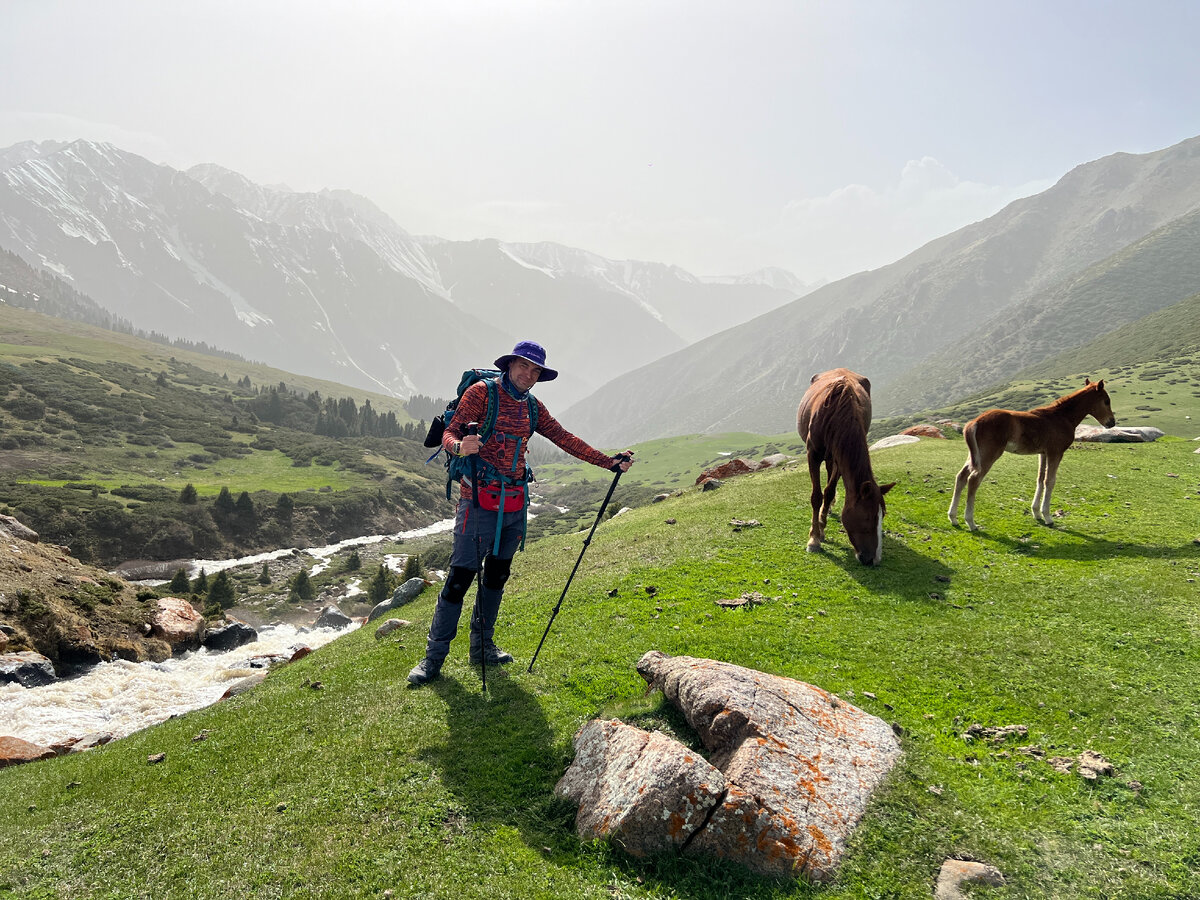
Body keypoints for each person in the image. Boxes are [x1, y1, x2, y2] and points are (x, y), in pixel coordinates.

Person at [407, 340, 634, 685]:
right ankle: (432, 659)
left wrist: (609, 462)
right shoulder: (482, 394)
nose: (528, 374)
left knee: (497, 576)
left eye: (535, 370)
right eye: (523, 366)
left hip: (513, 502)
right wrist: (458, 445)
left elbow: (564, 438)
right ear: (509, 364)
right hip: (477, 500)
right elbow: (450, 434)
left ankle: (482, 648)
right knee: (458, 580)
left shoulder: (532, 407)